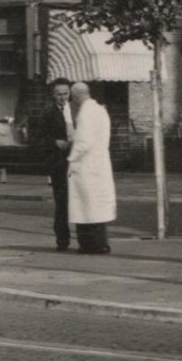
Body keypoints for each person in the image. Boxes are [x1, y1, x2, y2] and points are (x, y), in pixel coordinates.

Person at [67, 82, 116, 254]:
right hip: (100, 163)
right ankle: (101, 242)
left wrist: (72, 158)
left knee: (84, 206)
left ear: (76, 96)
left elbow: (83, 141)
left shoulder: (85, 113)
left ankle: (89, 244)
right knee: (96, 207)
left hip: (86, 166)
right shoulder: (100, 110)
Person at [36, 77, 75, 251]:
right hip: (59, 162)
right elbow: (38, 138)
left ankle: (84, 237)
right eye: (59, 94)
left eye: (66, 94)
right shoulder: (48, 113)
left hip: (77, 161)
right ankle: (62, 239)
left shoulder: (75, 110)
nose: (63, 98)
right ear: (53, 95)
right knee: (62, 201)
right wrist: (55, 143)